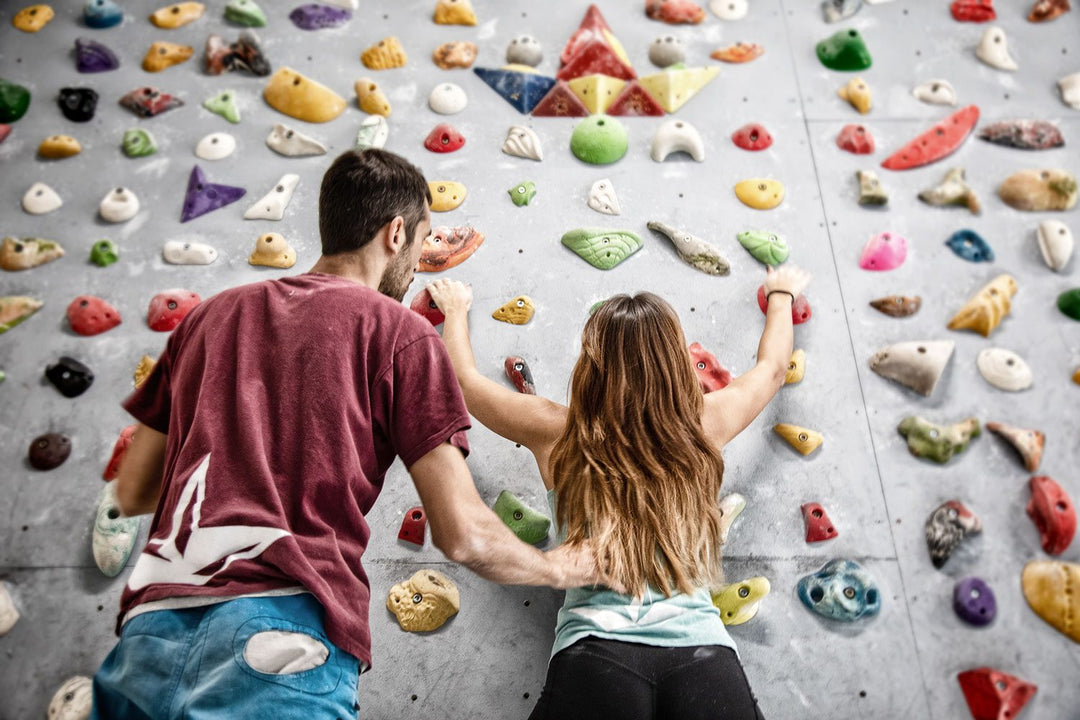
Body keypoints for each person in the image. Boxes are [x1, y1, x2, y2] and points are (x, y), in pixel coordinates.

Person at [91, 149, 603, 720]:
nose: (416, 269)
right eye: (421, 244)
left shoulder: (208, 318)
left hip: (151, 633)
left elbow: (134, 489)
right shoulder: (398, 333)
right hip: (283, 632)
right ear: (397, 231)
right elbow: (463, 535)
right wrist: (566, 567)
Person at [427, 264, 812, 720]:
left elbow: (464, 383)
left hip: (596, 653)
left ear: (591, 364)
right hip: (702, 654)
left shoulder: (557, 431)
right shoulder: (707, 424)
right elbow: (770, 370)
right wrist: (781, 293)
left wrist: (454, 309)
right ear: (675, 363)